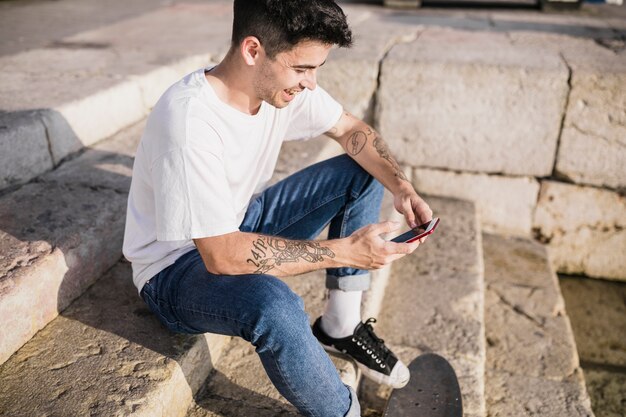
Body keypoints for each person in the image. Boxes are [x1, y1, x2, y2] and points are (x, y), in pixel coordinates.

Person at [123, 0, 432, 415]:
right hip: (174, 271)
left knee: (361, 171)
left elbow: (352, 130)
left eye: (317, 68)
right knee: (276, 306)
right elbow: (221, 255)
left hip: (237, 222)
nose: (310, 83)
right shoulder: (189, 121)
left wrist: (401, 185)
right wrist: (345, 252)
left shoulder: (277, 87)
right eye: (302, 68)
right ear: (253, 51)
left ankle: (340, 326)